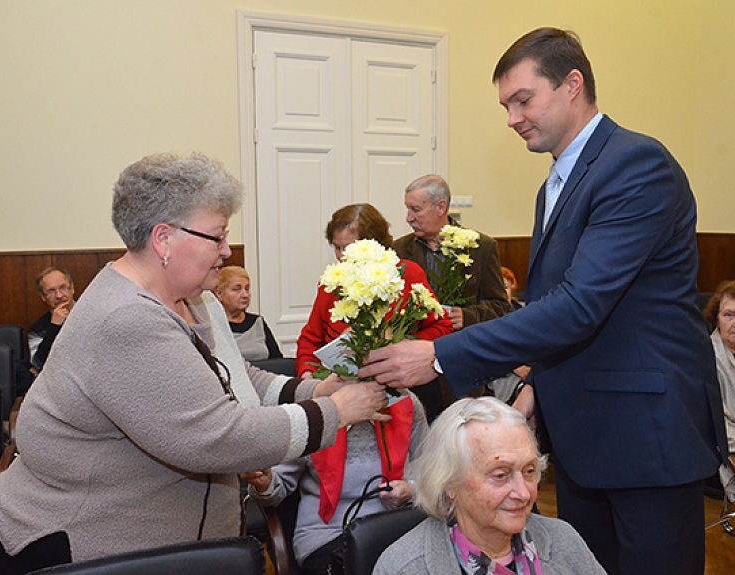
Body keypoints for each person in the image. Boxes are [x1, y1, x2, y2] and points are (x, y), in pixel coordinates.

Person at [360, 28, 727, 575]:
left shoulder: (635, 163)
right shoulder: (558, 179)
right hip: (583, 432)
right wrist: (535, 386)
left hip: (645, 433)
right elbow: (562, 308)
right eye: (507, 105)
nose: (511, 117)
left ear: (572, 84)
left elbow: (581, 306)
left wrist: (439, 355)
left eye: (522, 99)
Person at [0, 152, 389, 575]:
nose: (227, 250)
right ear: (164, 239)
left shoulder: (195, 298)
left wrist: (315, 390)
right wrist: (336, 412)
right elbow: (215, 437)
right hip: (78, 545)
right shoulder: (127, 318)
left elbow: (236, 377)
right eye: (218, 236)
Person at [373, 397, 607, 575]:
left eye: (529, 471)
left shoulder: (562, 540)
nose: (523, 493)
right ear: (450, 483)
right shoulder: (405, 567)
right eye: (500, 475)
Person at [245, 387, 427, 575]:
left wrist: (411, 489)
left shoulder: (405, 402)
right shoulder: (312, 410)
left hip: (397, 525)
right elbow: (275, 489)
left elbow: (432, 474)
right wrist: (264, 484)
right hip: (329, 533)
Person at [296, 203, 452, 421]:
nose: (342, 257)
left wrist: (403, 346)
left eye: (349, 248)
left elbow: (442, 327)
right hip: (344, 395)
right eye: (337, 248)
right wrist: (309, 377)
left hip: (400, 391)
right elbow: (310, 339)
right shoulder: (331, 283)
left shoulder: (407, 275)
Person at [393, 174, 510, 331]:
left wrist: (468, 316)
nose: (409, 218)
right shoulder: (399, 249)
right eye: (408, 209)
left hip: (462, 344)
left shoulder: (481, 247)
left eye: (416, 210)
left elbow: (500, 306)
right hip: (415, 343)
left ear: (441, 207)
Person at [703, 280, 735, 500]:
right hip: (725, 449)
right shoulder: (707, 358)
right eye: (729, 315)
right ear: (716, 319)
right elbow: (717, 426)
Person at [214, 265, 283, 362]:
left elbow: (278, 360)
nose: (245, 295)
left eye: (247, 289)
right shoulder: (213, 325)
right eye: (237, 289)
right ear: (219, 294)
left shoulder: (257, 322)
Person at [27, 267, 75, 374]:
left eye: (63, 288)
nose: (59, 295)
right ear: (43, 297)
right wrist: (54, 327)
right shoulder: (37, 330)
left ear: (72, 288)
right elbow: (38, 364)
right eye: (51, 291)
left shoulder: (92, 314)